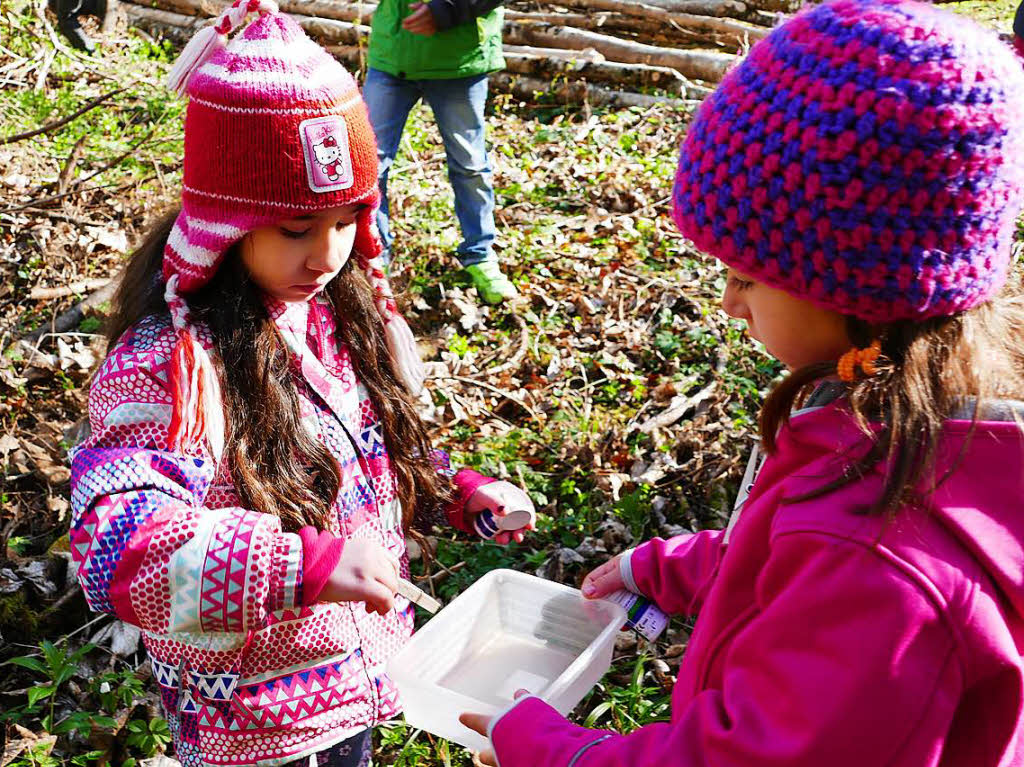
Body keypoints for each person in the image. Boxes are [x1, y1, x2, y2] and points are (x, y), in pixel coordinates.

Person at [460, 0, 1024, 765]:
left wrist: (551, 747)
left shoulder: (878, 564)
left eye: (745, 276)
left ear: (850, 284)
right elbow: (801, 566)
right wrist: (668, 566)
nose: (728, 302)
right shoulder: (911, 428)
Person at [67, 3, 533, 765]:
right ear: (226, 220)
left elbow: (362, 454)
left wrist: (456, 489)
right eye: (295, 228)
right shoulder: (172, 365)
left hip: (360, 683)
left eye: (348, 219)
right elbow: (118, 548)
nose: (328, 254)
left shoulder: (327, 320)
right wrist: (299, 564)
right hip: (255, 725)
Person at [363, 0, 517, 305]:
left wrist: (447, 9)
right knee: (368, 166)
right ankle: (373, 261)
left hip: (459, 60)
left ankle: (480, 254)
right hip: (392, 54)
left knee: (469, 164)